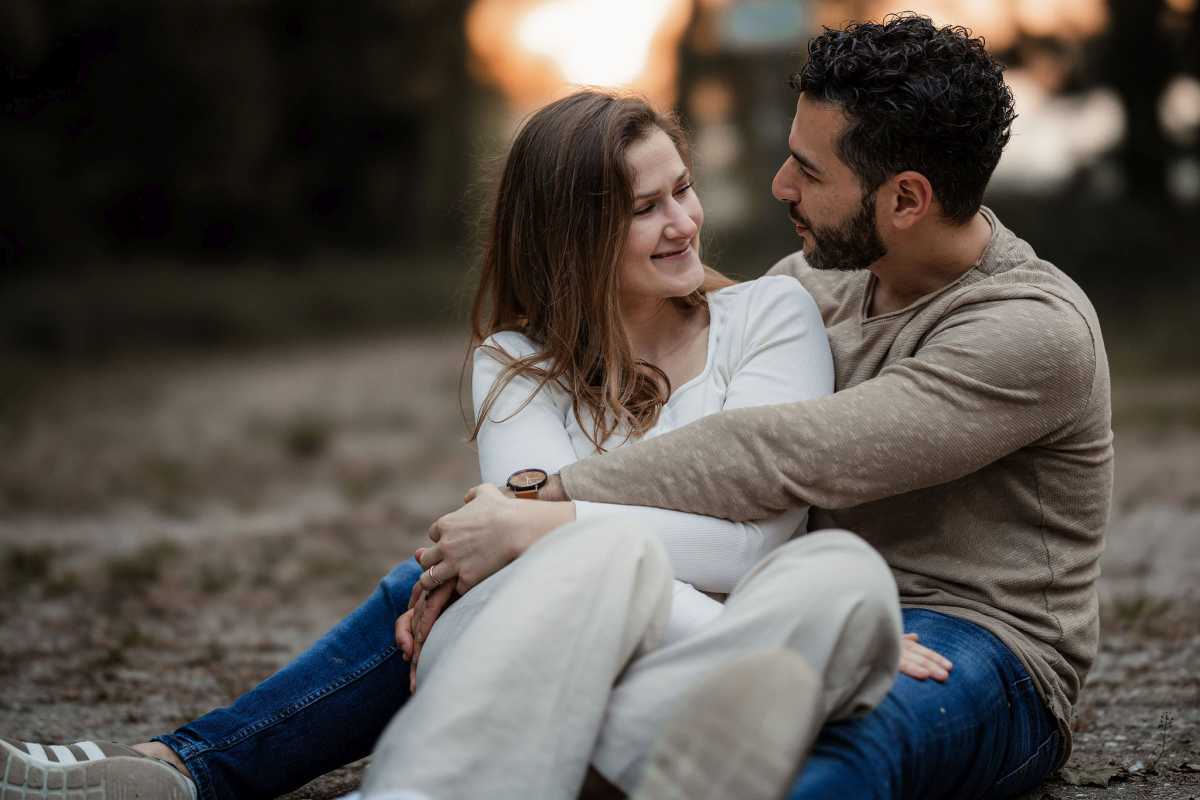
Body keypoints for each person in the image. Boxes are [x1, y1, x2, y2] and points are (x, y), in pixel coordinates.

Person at [2, 90, 941, 800]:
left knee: (814, 576)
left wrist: (544, 525)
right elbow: (526, 563)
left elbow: (751, 546)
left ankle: (189, 774)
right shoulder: (513, 363)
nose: (683, 222)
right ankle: (184, 772)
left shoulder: (769, 316)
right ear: (574, 234)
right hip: (541, 644)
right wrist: (543, 542)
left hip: (671, 668)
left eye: (683, 189)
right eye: (644, 207)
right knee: (583, 574)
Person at [419, 13, 1113, 800]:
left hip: (973, 641)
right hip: (786, 602)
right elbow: (705, 294)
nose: (782, 186)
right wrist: (489, 547)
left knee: (832, 739)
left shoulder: (1030, 331)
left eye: (808, 172)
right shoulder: (822, 276)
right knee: (437, 584)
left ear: (907, 198)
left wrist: (536, 506)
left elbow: (775, 454)